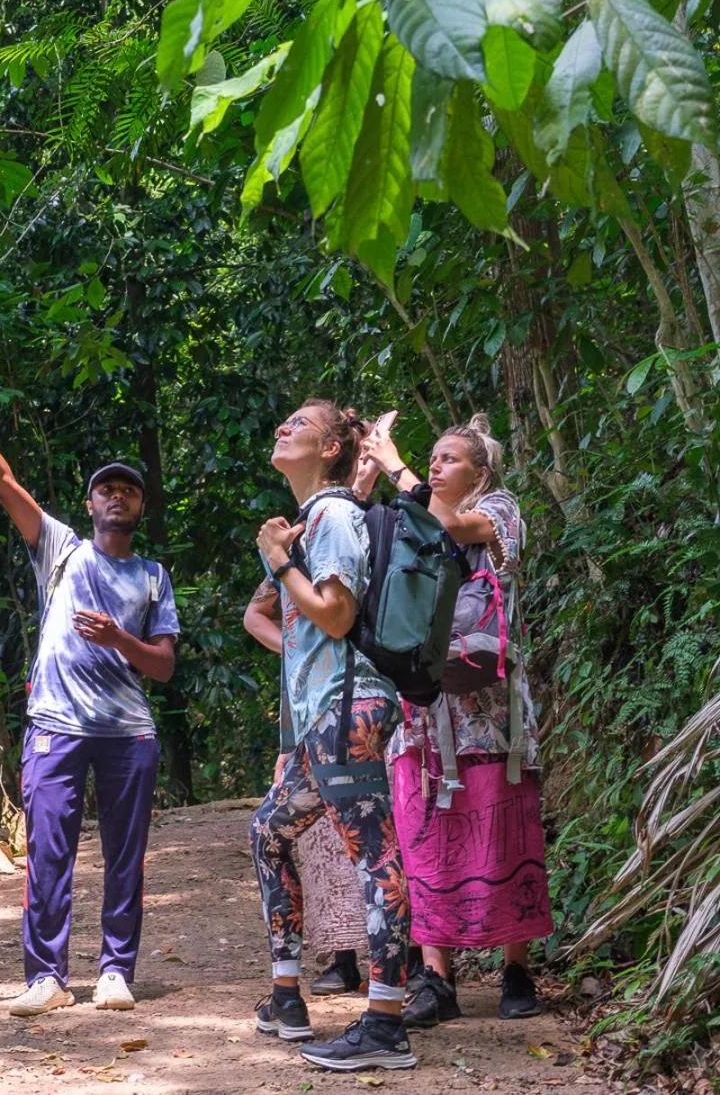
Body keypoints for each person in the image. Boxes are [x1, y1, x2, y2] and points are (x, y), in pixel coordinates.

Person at [0, 364, 180, 1017]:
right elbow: (1, 479)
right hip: (56, 724)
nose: (117, 497)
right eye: (107, 490)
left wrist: (119, 640)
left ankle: (115, 972)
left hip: (128, 732)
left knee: (126, 856)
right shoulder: (60, 549)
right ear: (91, 504)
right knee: (48, 853)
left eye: (129, 491)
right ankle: (46, 977)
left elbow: (163, 667)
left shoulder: (153, 578)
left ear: (140, 507)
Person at [359, 413, 553, 1027]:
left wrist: (396, 466)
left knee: (502, 831)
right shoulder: (415, 519)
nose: (435, 467)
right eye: (432, 459)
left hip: (491, 714)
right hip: (424, 706)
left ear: (481, 471)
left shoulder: (500, 512)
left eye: (450, 459)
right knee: (426, 837)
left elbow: (448, 522)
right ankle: (437, 977)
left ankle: (515, 968)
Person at [247, 399, 415, 1073]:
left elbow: (337, 616)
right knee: (267, 832)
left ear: (329, 449)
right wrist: (281, 559)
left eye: (299, 424)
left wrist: (278, 560)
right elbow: (274, 617)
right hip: (325, 714)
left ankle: (386, 1024)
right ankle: (287, 997)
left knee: (373, 854)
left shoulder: (335, 516)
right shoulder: (312, 519)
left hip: (350, 709)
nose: (282, 427)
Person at [244, 580, 366, 998]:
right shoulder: (291, 557)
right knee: (321, 840)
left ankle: (410, 966)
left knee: (380, 836)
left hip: (365, 699)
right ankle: (342, 957)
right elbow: (254, 615)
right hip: (310, 710)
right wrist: (297, 650)